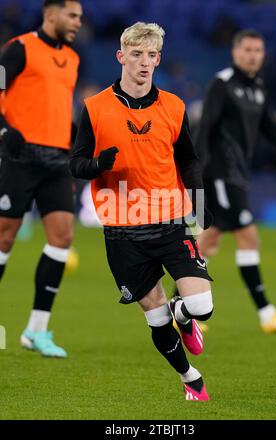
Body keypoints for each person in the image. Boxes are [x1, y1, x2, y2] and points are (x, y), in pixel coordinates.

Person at [70, 22, 213, 401]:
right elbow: (76, 164)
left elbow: (189, 159)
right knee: (155, 317)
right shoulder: (95, 107)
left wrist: (200, 202)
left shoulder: (174, 106)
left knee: (201, 305)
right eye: (136, 55)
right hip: (122, 227)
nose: (144, 63)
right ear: (121, 57)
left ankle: (185, 313)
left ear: (158, 59)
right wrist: (98, 165)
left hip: (169, 219)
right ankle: (189, 378)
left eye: (151, 55)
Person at [194, 29, 276, 333]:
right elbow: (204, 132)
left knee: (209, 241)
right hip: (219, 175)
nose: (253, 55)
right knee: (249, 236)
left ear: (263, 55)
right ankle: (267, 314)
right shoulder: (222, 84)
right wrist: (196, 178)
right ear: (235, 52)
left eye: (258, 50)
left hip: (237, 176)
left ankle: (182, 309)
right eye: (247, 50)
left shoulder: (259, 89)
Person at [0, 0, 82, 357]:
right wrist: (4, 131)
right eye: (72, 15)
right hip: (19, 157)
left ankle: (37, 330)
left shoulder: (74, 59)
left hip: (57, 160)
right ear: (52, 15)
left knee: (62, 238)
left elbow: (57, 106)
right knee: (5, 237)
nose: (78, 22)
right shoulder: (19, 49)